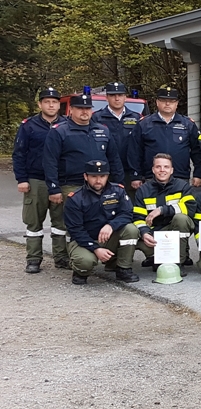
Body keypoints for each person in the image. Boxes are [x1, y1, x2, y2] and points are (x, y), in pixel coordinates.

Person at [43, 93, 125, 221]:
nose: (84, 111)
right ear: (71, 109)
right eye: (80, 108)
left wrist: (119, 183)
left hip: (100, 185)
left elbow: (114, 159)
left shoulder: (103, 130)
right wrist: (54, 188)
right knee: (68, 224)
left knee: (100, 221)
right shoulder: (59, 131)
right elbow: (50, 162)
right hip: (71, 185)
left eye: (87, 108)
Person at [15, 87, 69, 272]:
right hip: (36, 180)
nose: (51, 105)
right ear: (40, 104)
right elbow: (19, 154)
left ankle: (61, 258)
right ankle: (33, 259)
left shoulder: (67, 125)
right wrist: (22, 179)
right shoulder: (28, 126)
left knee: (61, 222)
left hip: (60, 180)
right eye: (47, 102)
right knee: (34, 222)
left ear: (59, 105)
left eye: (54, 102)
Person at [63, 160, 140, 285]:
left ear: (107, 176)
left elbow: (127, 213)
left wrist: (111, 225)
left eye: (102, 176)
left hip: (109, 238)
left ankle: (123, 268)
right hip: (84, 240)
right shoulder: (75, 198)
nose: (98, 180)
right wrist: (96, 248)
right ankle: (79, 271)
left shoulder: (118, 191)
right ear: (85, 176)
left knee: (131, 229)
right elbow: (76, 230)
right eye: (93, 176)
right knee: (85, 262)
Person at [127, 88, 201, 188]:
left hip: (180, 177)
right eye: (163, 100)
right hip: (152, 177)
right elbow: (134, 151)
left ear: (177, 103)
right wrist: (136, 176)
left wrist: (198, 174)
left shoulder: (188, 124)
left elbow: (197, 151)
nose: (167, 104)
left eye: (171, 101)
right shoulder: (144, 124)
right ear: (157, 102)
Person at [134, 153, 197, 271]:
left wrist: (162, 210)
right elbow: (138, 217)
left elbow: (190, 208)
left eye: (166, 167)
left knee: (181, 218)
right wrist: (145, 233)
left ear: (171, 170)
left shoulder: (182, 186)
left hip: (175, 229)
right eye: (158, 167)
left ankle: (178, 261)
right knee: (156, 263)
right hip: (154, 234)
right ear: (153, 169)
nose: (162, 170)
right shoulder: (143, 190)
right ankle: (155, 255)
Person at [91, 82, 141, 201]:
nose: (117, 98)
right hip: (104, 172)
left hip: (129, 172)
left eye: (120, 95)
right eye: (113, 95)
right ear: (107, 97)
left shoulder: (136, 118)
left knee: (129, 205)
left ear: (125, 97)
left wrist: (137, 174)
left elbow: (140, 146)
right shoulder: (96, 118)